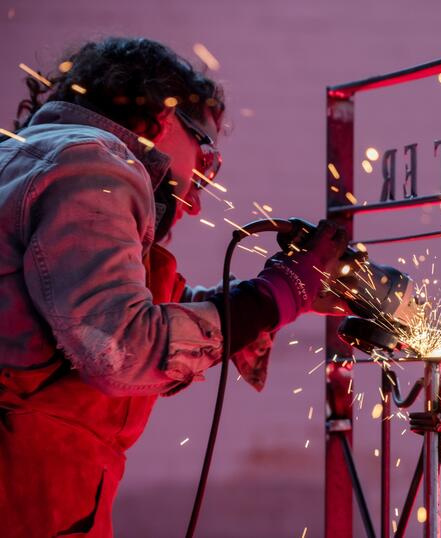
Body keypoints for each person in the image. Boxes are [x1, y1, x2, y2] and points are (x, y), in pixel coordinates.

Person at [0, 37, 349, 537]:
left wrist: (259, 305)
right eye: (204, 158)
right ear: (165, 119)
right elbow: (122, 347)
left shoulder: (26, 158)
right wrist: (277, 294)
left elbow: (73, 312)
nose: (196, 199)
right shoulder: (93, 164)